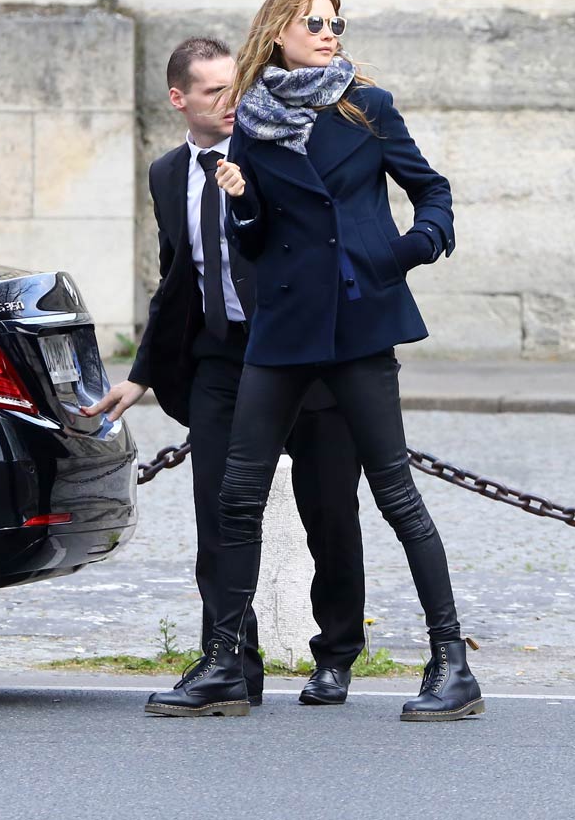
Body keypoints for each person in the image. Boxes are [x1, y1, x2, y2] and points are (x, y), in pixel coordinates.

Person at [145, 0, 484, 722]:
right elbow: (258, 240)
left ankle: (452, 662)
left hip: (360, 320)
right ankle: (223, 663)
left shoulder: (367, 106)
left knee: (395, 495)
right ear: (278, 32)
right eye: (316, 23)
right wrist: (240, 200)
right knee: (237, 495)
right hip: (287, 328)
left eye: (337, 23)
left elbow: (433, 192)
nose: (330, 33)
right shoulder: (254, 122)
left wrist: (402, 253)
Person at [86, 37, 367, 710]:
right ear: (179, 99)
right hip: (222, 358)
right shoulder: (164, 175)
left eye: (235, 88)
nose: (231, 103)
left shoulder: (277, 153)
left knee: (329, 511)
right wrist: (143, 372)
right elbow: (176, 280)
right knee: (219, 515)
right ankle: (232, 664)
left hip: (308, 358)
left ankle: (335, 654)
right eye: (213, 93)